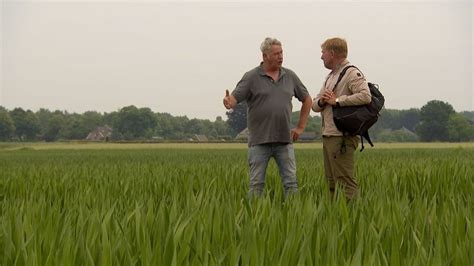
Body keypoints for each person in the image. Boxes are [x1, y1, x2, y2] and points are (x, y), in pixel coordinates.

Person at [223, 37, 312, 198]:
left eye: (282, 53)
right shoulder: (251, 77)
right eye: (276, 53)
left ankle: (295, 218)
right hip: (259, 141)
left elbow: (307, 99)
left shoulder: (290, 76)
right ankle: (255, 219)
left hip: (284, 140)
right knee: (256, 185)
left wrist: (300, 127)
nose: (281, 57)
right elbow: (235, 98)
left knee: (291, 183)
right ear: (265, 56)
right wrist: (229, 102)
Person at [312, 37, 371, 200]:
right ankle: (334, 218)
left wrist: (337, 101)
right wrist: (323, 100)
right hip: (329, 135)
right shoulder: (330, 76)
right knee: (331, 182)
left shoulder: (352, 73)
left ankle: (351, 219)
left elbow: (366, 96)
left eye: (323, 52)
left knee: (345, 182)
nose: (321, 56)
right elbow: (314, 106)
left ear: (332, 53)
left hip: (342, 137)